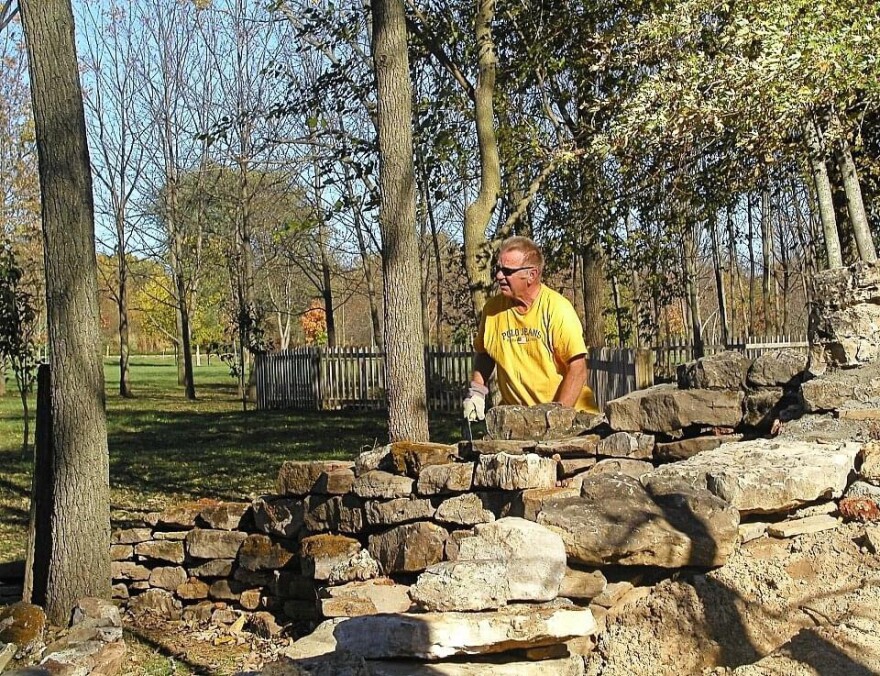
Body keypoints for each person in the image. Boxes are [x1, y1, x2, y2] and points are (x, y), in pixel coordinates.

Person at [462, 236, 598, 421]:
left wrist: (558, 418)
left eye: (507, 271)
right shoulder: (493, 310)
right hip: (521, 421)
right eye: (498, 269)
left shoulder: (557, 309)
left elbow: (578, 368)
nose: (499, 276)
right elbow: (485, 353)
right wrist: (477, 392)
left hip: (571, 417)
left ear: (532, 275)